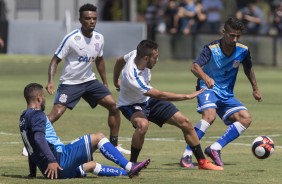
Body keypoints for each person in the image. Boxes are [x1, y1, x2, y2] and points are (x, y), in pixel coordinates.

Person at [113, 40, 224, 171]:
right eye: (155, 58)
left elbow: (120, 61)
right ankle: (132, 164)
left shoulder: (135, 54)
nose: (157, 60)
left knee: (185, 122)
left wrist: (115, 81)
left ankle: (202, 162)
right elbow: (160, 95)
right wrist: (187, 96)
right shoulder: (132, 76)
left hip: (148, 99)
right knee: (142, 125)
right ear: (146, 58)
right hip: (131, 104)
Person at [45, 3, 130, 154]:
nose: (91, 21)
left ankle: (114, 144)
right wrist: (50, 80)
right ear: (80, 20)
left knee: (114, 106)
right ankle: (30, 143)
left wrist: (104, 82)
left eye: (94, 18)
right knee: (56, 114)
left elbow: (100, 60)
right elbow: (54, 60)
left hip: (89, 82)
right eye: (87, 18)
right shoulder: (71, 39)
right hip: (70, 83)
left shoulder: (99, 38)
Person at [19, 83, 150, 179]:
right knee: (99, 137)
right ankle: (130, 167)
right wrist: (52, 161)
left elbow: (30, 146)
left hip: (50, 171)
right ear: (39, 98)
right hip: (58, 162)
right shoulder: (38, 115)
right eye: (44, 97)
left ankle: (128, 172)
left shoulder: (24, 118)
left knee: (91, 165)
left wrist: (33, 173)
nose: (45, 100)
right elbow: (38, 139)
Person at [181, 17, 262, 167]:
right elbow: (195, 67)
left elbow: (248, 68)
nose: (235, 39)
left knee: (245, 118)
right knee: (209, 116)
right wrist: (205, 77)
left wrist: (255, 89)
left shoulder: (243, 50)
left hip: (226, 94)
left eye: (238, 36)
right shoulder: (211, 49)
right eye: (232, 35)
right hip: (207, 89)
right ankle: (187, 154)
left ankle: (214, 148)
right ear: (224, 32)